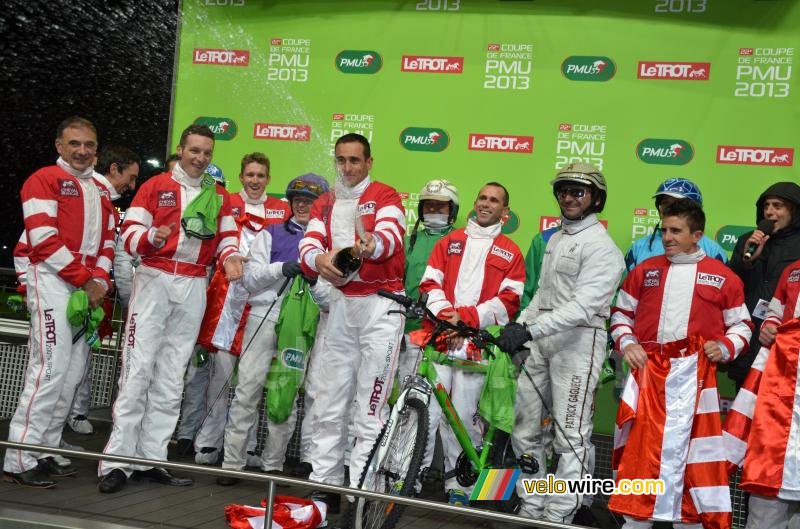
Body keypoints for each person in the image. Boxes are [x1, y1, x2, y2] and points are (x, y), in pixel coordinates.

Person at [97, 124, 244, 493]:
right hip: (155, 278)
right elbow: (128, 236)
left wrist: (231, 258)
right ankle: (116, 462)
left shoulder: (219, 195)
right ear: (181, 150)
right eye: (194, 150)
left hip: (194, 282)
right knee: (137, 371)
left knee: (171, 376)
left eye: (207, 152)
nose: (201, 158)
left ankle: (151, 458)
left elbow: (228, 238)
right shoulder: (155, 186)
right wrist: (150, 237)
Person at [609, 199, 752, 529]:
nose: (668, 237)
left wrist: (726, 346)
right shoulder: (644, 271)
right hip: (648, 381)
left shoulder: (724, 277)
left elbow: (743, 326)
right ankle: (634, 522)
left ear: (697, 235)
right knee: (639, 457)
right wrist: (628, 343)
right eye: (664, 230)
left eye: (677, 231)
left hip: (697, 384)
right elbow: (620, 316)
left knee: (695, 463)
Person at [496, 163, 624, 523]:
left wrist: (530, 331)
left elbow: (583, 308)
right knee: (524, 430)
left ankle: (560, 514)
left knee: (571, 436)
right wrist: (519, 325)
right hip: (542, 341)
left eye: (577, 192)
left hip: (580, 343)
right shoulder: (555, 238)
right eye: (563, 191)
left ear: (596, 198)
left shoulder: (603, 247)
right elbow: (541, 297)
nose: (568, 197)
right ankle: (533, 504)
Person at [3, 117, 117, 488]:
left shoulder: (100, 188)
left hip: (85, 286)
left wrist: (98, 278)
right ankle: (19, 457)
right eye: (74, 144)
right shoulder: (43, 180)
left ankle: (45, 447)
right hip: (51, 278)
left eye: (89, 144)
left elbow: (108, 242)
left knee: (70, 375)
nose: (82, 151)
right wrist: (86, 279)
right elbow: (42, 239)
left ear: (97, 148)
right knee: (49, 369)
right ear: (59, 146)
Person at [299, 133, 406, 513]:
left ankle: (361, 491)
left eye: (354, 161)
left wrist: (371, 243)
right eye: (341, 160)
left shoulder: (386, 195)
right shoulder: (325, 201)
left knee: (369, 407)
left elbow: (392, 235)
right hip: (341, 308)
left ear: (369, 162)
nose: (347, 168)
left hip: (382, 308)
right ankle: (324, 484)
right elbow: (309, 244)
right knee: (328, 402)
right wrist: (316, 261)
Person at [216, 173, 329, 485]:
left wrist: (316, 279)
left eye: (311, 200)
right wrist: (281, 268)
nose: (303, 204)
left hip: (304, 320)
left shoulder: (328, 242)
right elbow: (249, 279)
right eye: (298, 199)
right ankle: (232, 464)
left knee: (286, 392)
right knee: (247, 390)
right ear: (291, 202)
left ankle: (273, 465)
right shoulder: (272, 232)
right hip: (266, 312)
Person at [418, 182, 525, 505]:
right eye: (482, 197)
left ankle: (459, 488)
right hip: (440, 337)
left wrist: (463, 321)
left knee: (464, 417)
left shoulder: (511, 250)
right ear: (473, 203)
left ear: (504, 212)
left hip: (476, 343)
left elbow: (509, 301)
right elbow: (429, 283)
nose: (486, 203)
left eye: (494, 200)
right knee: (426, 414)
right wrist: (448, 318)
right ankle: (409, 480)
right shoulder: (450, 242)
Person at [190, 152, 290, 465]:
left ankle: (245, 448)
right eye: (250, 175)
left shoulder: (283, 209)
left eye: (261, 175)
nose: (255, 181)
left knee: (252, 381)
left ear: (268, 178)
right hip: (227, 298)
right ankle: (208, 442)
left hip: (262, 299)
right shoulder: (225, 202)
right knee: (219, 376)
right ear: (241, 175)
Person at [725, 258, 800, 529]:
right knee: (764, 510)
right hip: (779, 398)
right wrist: (770, 326)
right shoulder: (792, 270)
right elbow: (775, 313)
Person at [728, 182, 800, 390]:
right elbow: (731, 287)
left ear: (794, 210)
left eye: (778, 206)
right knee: (742, 412)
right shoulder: (747, 241)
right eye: (766, 205)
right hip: (750, 335)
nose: (769, 212)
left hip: (785, 342)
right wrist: (748, 259)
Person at [398, 179, 460, 380]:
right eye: (429, 205)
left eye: (440, 206)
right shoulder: (409, 241)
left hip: (446, 332)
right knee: (406, 389)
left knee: (438, 395)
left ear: (452, 210)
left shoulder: (462, 241)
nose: (433, 209)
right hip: (409, 330)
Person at [625, 178, 727, 272]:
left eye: (678, 203)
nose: (670, 208)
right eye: (665, 203)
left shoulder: (713, 250)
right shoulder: (639, 247)